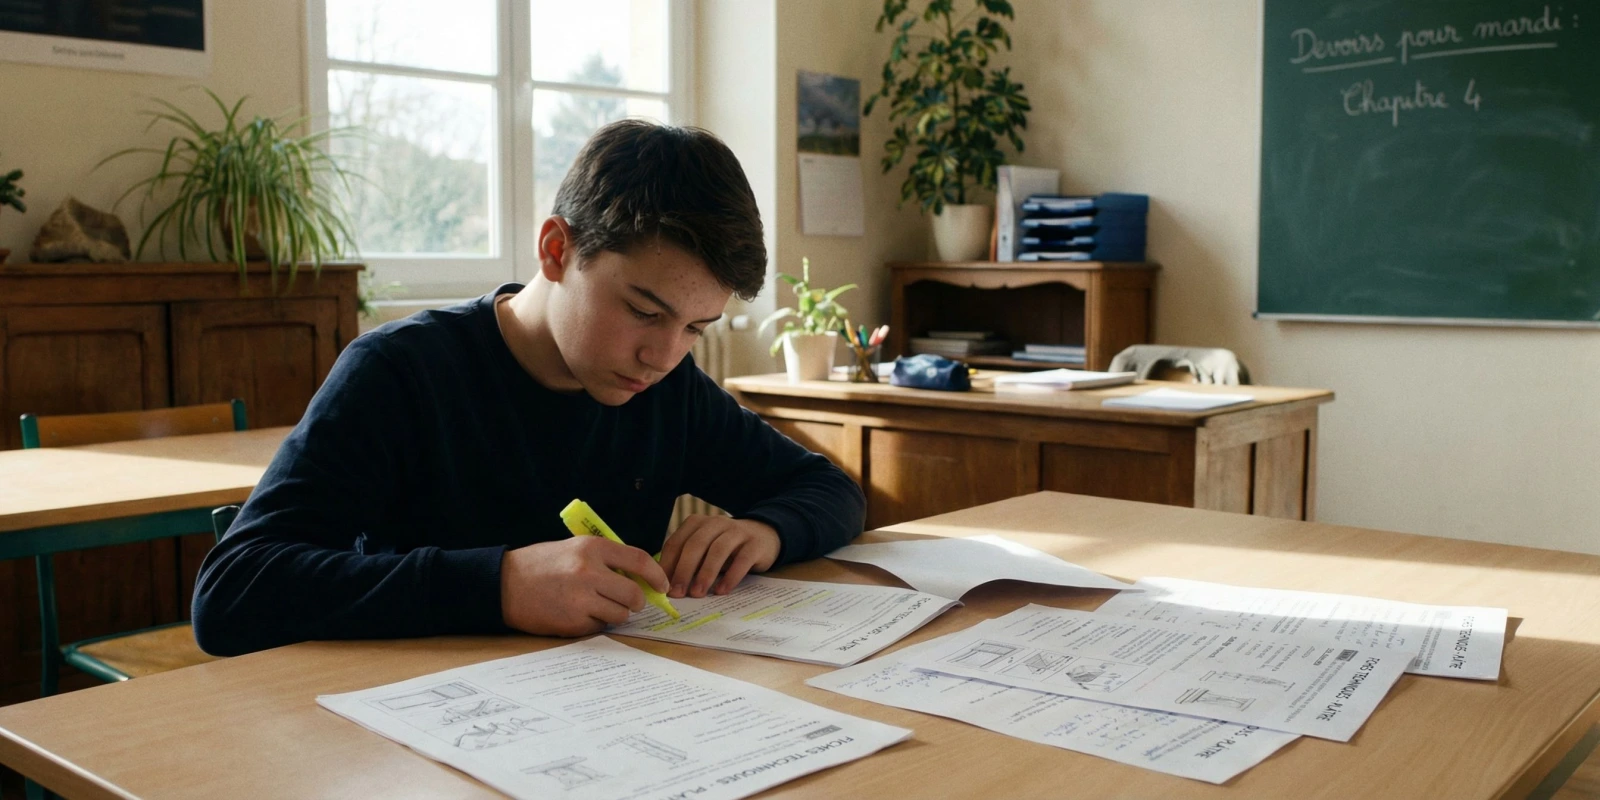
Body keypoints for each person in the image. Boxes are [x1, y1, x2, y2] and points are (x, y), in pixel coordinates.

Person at [191, 120, 866, 656]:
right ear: (555, 249)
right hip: (415, 733)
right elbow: (232, 591)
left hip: (609, 721)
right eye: (643, 310)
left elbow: (831, 490)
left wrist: (766, 531)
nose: (662, 354)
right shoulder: (400, 372)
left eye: (696, 327)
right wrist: (500, 585)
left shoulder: (666, 388)